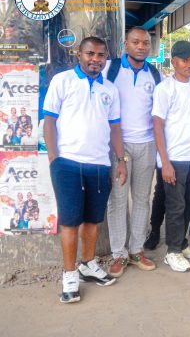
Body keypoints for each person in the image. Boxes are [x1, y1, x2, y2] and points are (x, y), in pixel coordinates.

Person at [43, 36, 126, 303]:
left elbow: (115, 128)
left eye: (101, 55)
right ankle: (69, 274)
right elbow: (49, 121)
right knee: (70, 222)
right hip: (67, 163)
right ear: (79, 53)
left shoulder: (110, 90)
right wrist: (54, 158)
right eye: (90, 54)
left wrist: (121, 160)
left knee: (93, 221)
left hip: (100, 164)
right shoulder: (63, 81)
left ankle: (87, 264)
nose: (96, 60)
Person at [104, 26, 160, 278]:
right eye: (136, 42)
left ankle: (136, 250)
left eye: (145, 43)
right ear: (125, 43)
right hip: (118, 144)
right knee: (117, 199)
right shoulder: (110, 69)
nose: (141, 47)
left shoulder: (154, 74)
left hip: (147, 144)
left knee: (141, 199)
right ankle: (119, 253)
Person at [152, 40, 190, 272]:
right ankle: (172, 252)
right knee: (175, 206)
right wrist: (165, 163)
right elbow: (157, 126)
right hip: (174, 158)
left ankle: (181, 245)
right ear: (173, 62)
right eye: (185, 60)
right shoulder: (165, 89)